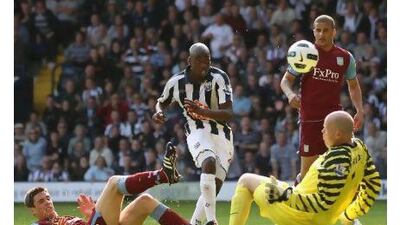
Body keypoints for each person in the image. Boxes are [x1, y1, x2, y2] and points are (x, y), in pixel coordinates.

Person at [229, 110, 381, 225]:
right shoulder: (360, 147)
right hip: (321, 215)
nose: (322, 133)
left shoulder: (336, 158)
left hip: (297, 212)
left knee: (245, 180)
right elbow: (373, 186)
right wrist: (349, 215)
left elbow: (321, 202)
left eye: (325, 129)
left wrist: (284, 195)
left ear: (338, 134)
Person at [153, 42, 234, 225]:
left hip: (222, 133)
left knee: (215, 186)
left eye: (207, 61)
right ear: (189, 61)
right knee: (209, 162)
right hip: (197, 130)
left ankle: (195, 222)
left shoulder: (219, 78)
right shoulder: (176, 82)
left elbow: (228, 113)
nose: (204, 65)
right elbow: (162, 102)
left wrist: (203, 111)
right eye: (199, 61)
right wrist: (158, 112)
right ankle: (212, 221)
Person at [280, 15, 364, 182]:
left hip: (334, 120)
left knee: (339, 170)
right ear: (313, 31)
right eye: (318, 30)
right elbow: (285, 81)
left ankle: (338, 206)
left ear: (334, 32)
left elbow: (353, 86)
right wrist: (290, 94)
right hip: (309, 120)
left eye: (325, 30)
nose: (321, 34)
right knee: (307, 174)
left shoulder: (345, 57)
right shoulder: (306, 53)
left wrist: (360, 110)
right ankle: (299, 195)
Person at [25, 142, 191, 225]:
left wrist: (91, 215)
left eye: (47, 198)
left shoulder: (62, 219)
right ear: (33, 211)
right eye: (41, 201)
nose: (47, 202)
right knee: (113, 183)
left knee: (144, 201)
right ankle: (162, 175)